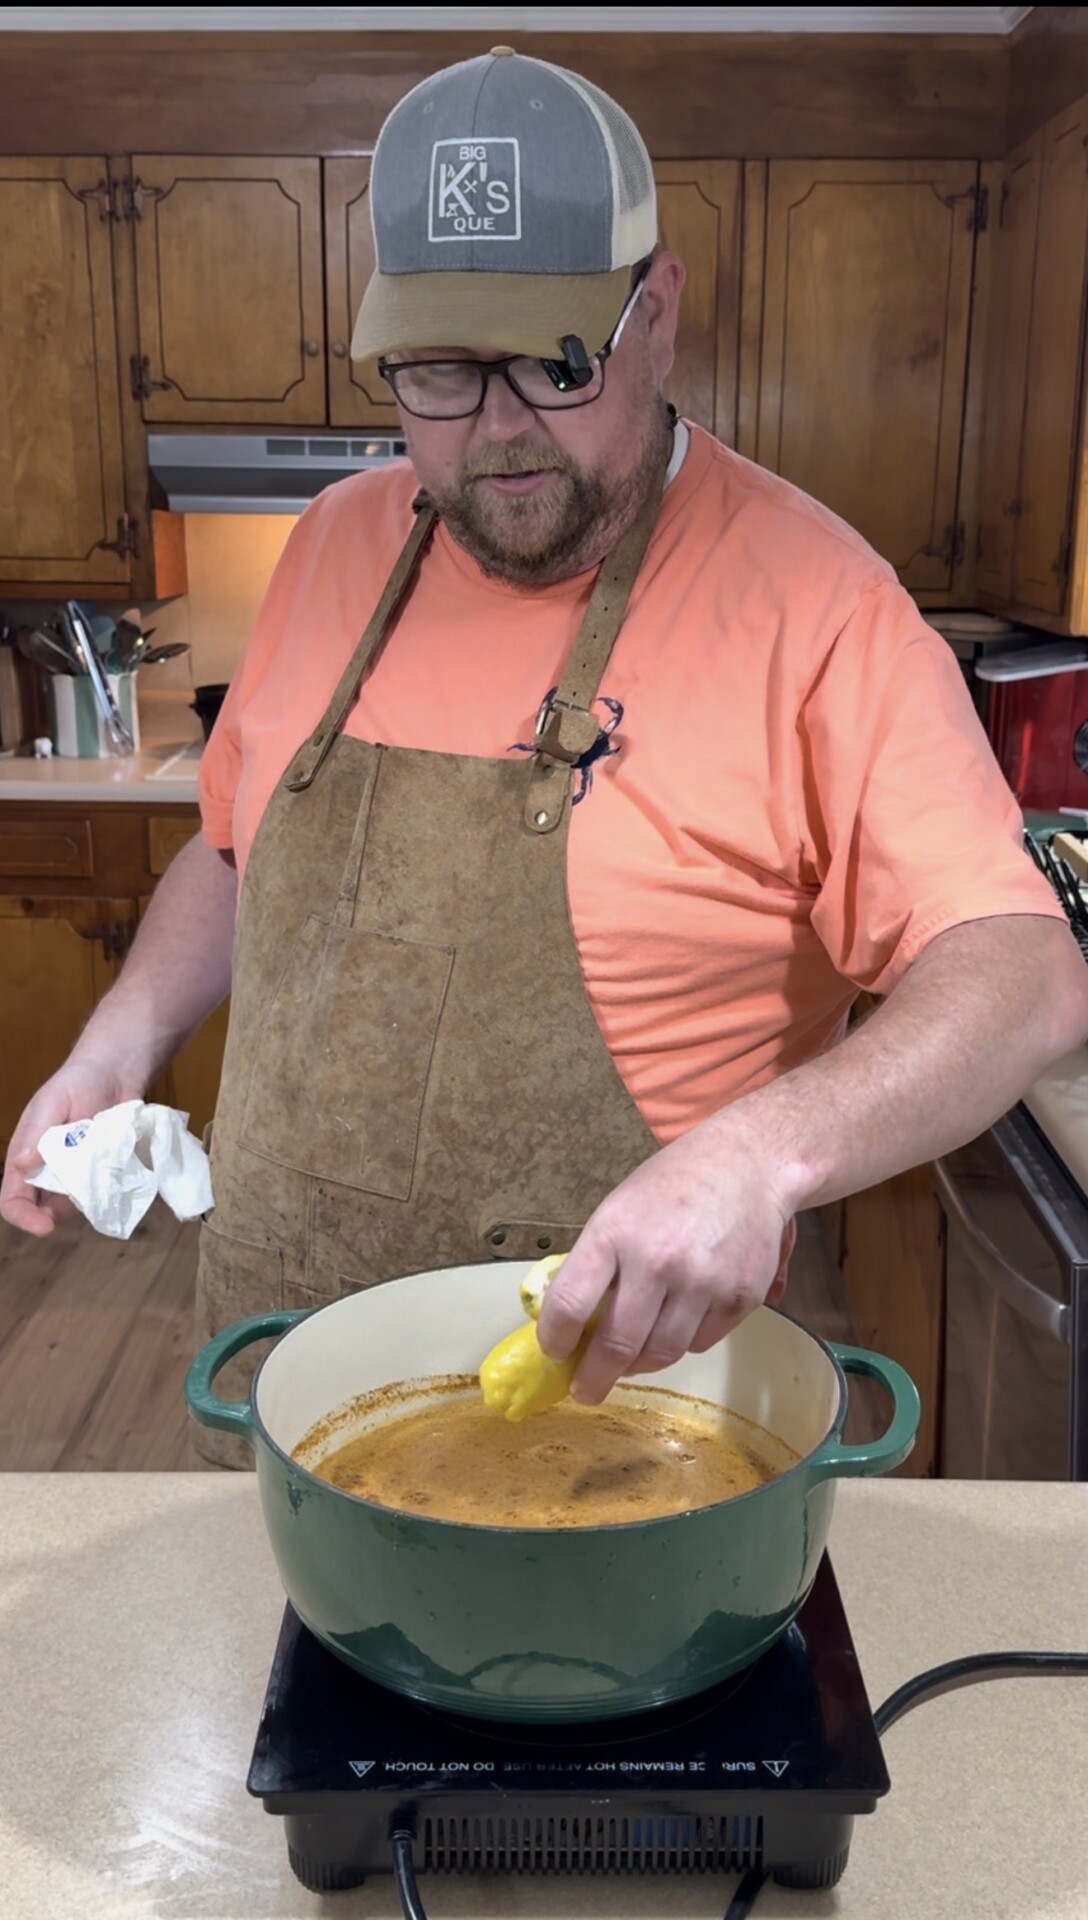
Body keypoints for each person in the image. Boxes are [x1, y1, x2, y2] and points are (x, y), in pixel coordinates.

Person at [4, 49, 1087, 1466]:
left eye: (556, 359)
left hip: (620, 1417)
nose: (500, 429)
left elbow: (1023, 972)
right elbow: (232, 850)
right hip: (281, 1384)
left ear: (661, 315)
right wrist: (117, 1043)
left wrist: (761, 1157)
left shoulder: (822, 604)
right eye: (441, 371)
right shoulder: (336, 546)